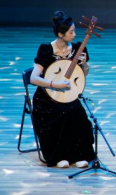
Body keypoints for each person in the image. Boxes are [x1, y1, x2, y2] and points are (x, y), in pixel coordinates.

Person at [30, 11, 96, 168]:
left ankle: (78, 154)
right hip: (47, 96)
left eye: (74, 31)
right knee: (60, 114)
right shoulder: (46, 50)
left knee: (77, 112)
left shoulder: (78, 48)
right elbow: (33, 78)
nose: (74, 35)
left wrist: (84, 64)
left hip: (68, 93)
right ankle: (59, 156)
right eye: (71, 32)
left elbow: (83, 74)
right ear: (60, 34)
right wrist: (55, 84)